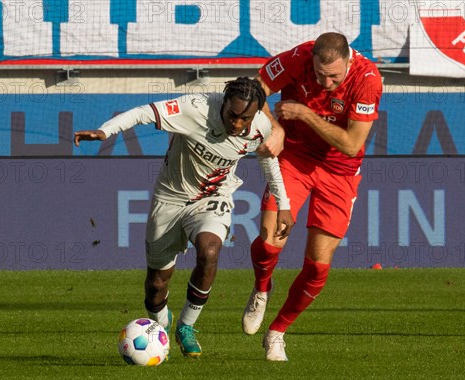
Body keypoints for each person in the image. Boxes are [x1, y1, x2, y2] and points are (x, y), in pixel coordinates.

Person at [74, 77, 294, 358]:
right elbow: (144, 112)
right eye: (232, 115)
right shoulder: (195, 108)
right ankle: (160, 328)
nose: (237, 124)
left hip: (213, 199)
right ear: (223, 103)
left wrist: (283, 203)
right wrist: (105, 131)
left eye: (245, 119)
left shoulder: (259, 127)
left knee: (209, 249)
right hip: (170, 199)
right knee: (156, 284)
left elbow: (268, 159)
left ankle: (187, 326)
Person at [241, 32, 383, 361]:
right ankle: (262, 287)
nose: (326, 82)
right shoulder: (299, 56)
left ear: (349, 59)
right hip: (295, 159)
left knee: (318, 266)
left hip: (340, 171)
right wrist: (275, 128)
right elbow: (256, 86)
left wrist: (304, 114)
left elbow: (350, 144)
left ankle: (277, 332)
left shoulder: (368, 79)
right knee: (269, 240)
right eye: (320, 74)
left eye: (333, 75)